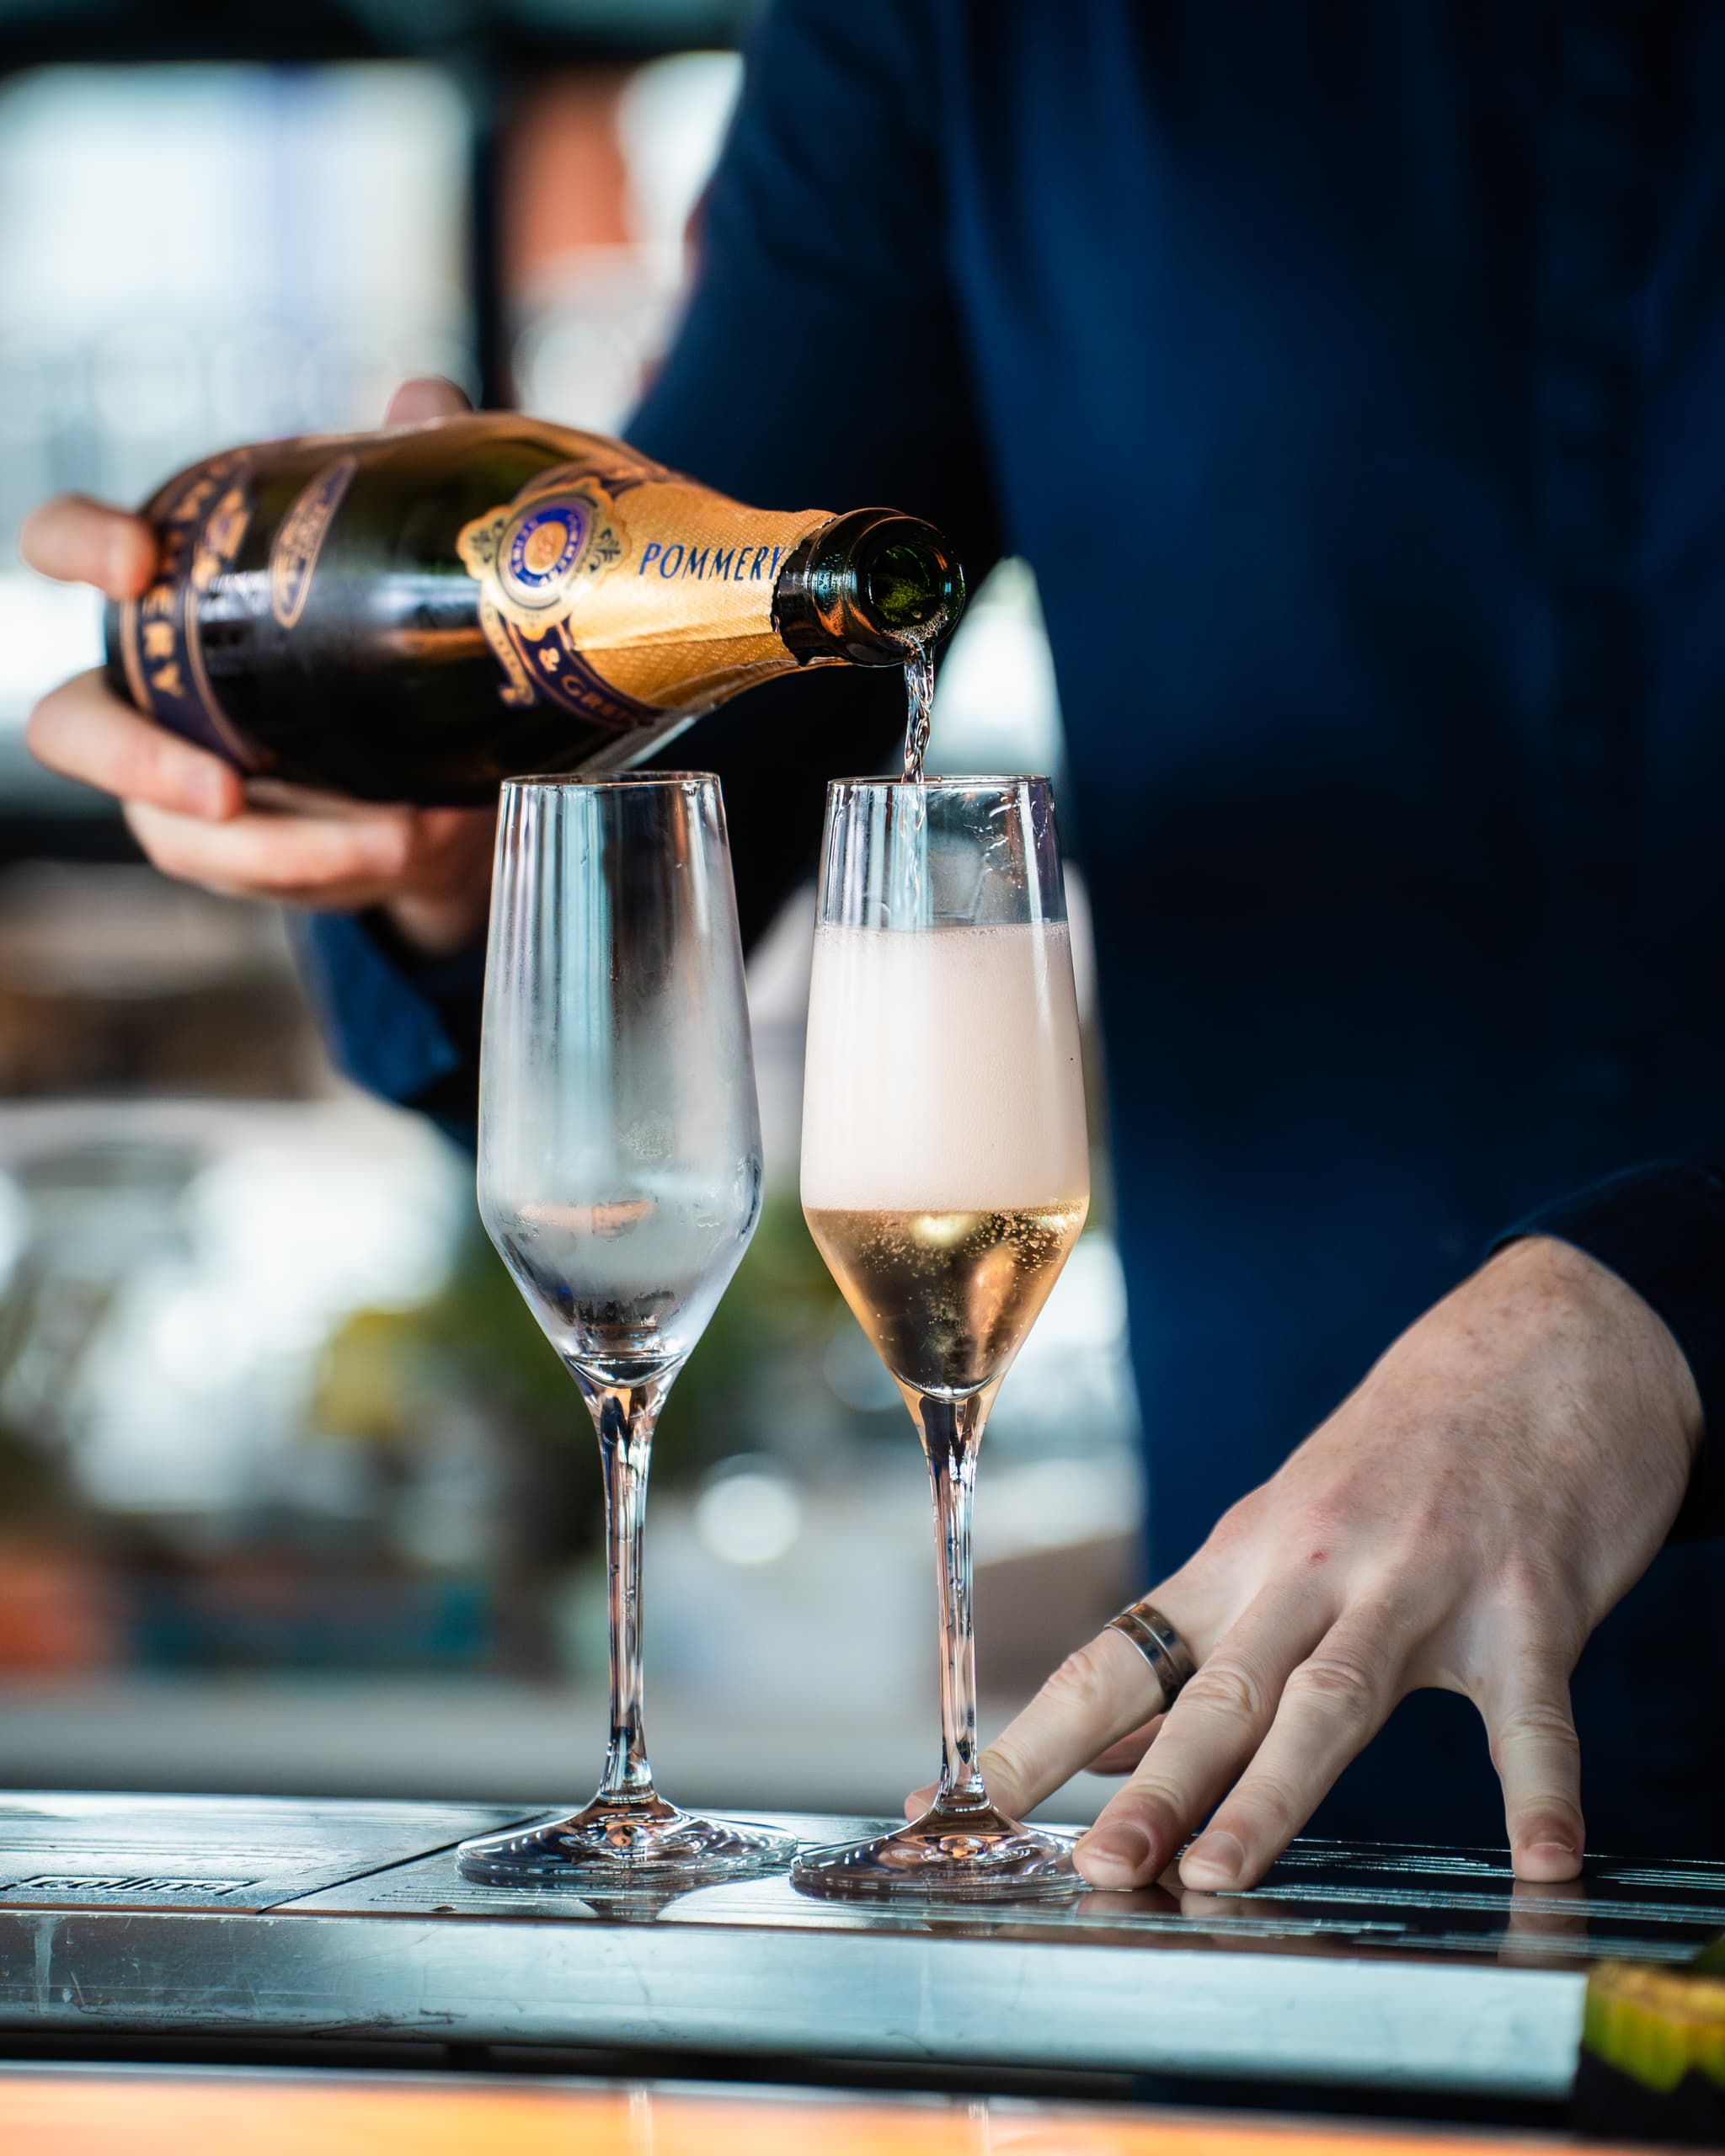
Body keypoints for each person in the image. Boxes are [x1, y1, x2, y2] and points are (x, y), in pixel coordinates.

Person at [19, 3, 1725, 1891]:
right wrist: (444, 839)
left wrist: (1657, 1299)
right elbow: (688, 752)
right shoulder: (968, 35)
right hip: (1303, 1773)